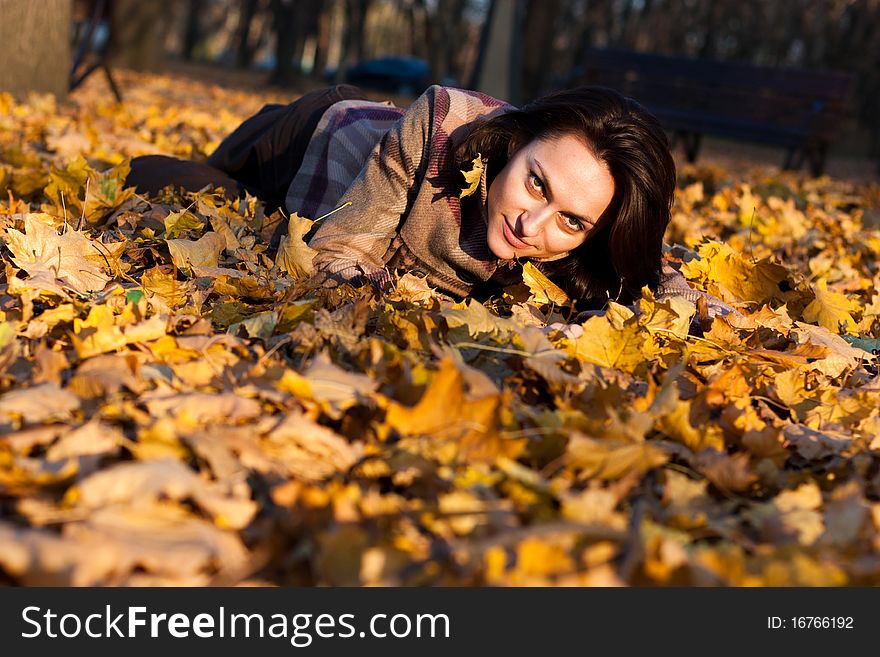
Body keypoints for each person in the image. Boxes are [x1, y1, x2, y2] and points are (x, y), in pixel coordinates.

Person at [127, 83, 731, 319]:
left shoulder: (585, 246)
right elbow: (342, 249)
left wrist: (708, 315)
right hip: (322, 133)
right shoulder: (440, 125)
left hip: (321, 190)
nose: (531, 224)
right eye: (536, 183)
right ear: (513, 143)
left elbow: (656, 281)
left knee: (252, 210)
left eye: (571, 221)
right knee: (177, 178)